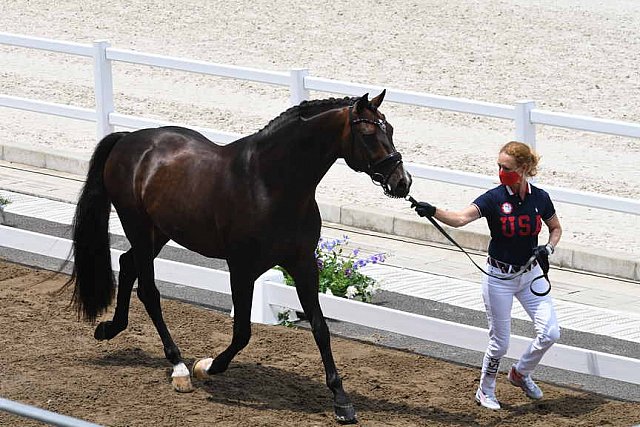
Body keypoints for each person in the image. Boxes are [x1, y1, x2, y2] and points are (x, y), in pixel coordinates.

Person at [411, 141, 562, 410]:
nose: (501, 172)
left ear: (524, 168)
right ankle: (485, 390)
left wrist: (548, 247)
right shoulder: (494, 198)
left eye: (507, 168)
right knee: (500, 343)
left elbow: (555, 228)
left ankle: (520, 373)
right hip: (499, 278)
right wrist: (432, 211)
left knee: (550, 332)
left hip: (530, 275)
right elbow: (460, 219)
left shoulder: (540, 198)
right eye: (499, 166)